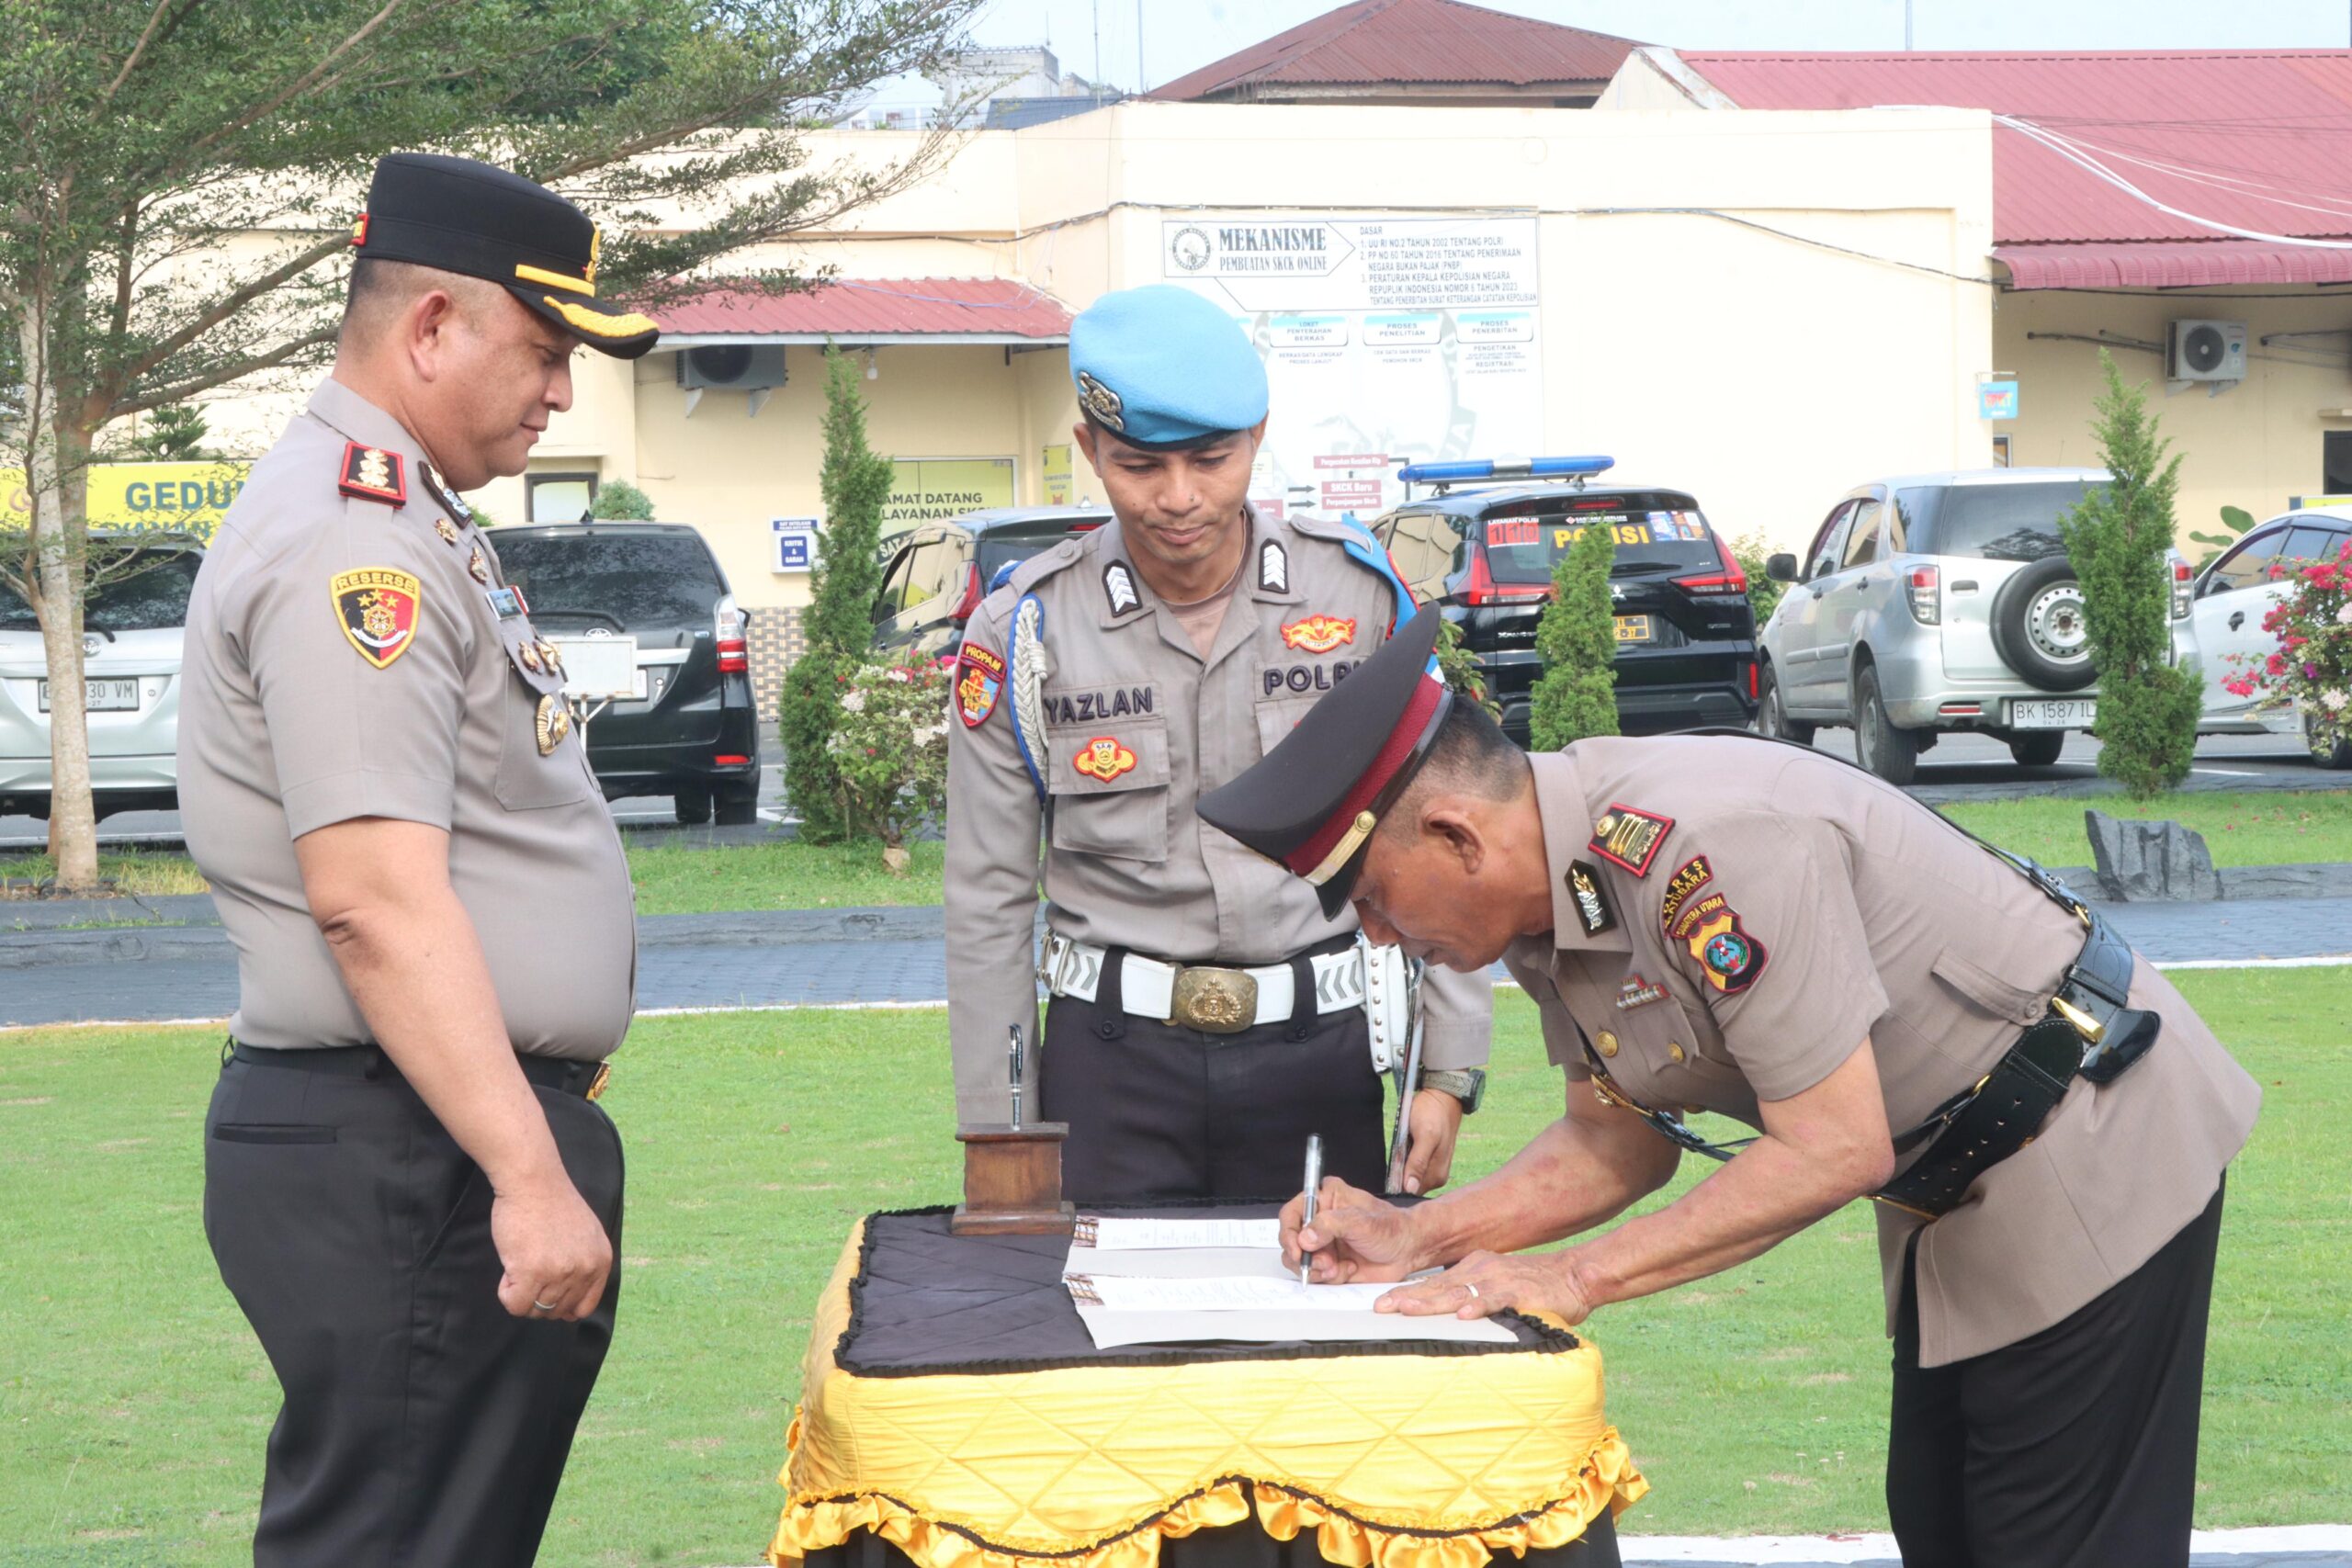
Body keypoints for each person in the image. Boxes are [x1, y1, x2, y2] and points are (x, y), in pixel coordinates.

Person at [1197, 607, 2261, 1568]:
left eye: (1374, 898)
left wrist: (1570, 1280)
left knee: (2045, 1542)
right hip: (1966, 1180)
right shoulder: (1543, 902)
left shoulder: (1704, 843)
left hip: (2089, 1143)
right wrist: (1418, 1233)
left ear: (1455, 836)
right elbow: (1616, 1141)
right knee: (1945, 1523)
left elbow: (1833, 1148)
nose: (1379, 936)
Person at [177, 152, 661, 1568]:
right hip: (413, 1142)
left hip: (419, 1131)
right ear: (432, 327)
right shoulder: (353, 542)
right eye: (544, 349)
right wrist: (526, 1170)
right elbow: (375, 902)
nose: (563, 391)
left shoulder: (401, 516)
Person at [944, 283, 1493, 1202]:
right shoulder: (1022, 632)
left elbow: (1443, 836)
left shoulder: (1354, 599)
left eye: (1211, 459)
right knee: (1095, 1339)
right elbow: (988, 900)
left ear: (1258, 435)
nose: (1179, 499)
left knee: (1324, 1337)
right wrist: (1001, 1128)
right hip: (1108, 1066)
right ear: (1088, 449)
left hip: (1319, 1054)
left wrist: (1444, 1072)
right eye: (1138, 466)